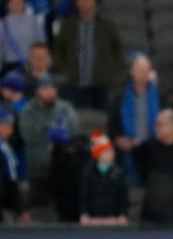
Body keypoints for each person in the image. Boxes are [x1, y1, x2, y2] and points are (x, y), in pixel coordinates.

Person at [53, 0, 123, 109]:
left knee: (102, 120)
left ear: (95, 1)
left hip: (102, 83)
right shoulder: (68, 25)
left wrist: (112, 71)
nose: (83, 2)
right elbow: (58, 50)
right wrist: (65, 70)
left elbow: (117, 49)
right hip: (75, 82)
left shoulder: (107, 25)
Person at [19, 74, 77, 206]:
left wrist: (47, 131)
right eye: (45, 88)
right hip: (37, 171)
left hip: (63, 170)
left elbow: (74, 130)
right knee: (38, 209)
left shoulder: (65, 107)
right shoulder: (29, 110)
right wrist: (55, 132)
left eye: (53, 88)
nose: (50, 91)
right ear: (37, 91)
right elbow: (28, 135)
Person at [108, 53, 160, 170]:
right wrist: (118, 139)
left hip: (153, 150)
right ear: (131, 71)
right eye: (140, 70)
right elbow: (112, 123)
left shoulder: (158, 93)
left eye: (147, 70)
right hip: (127, 151)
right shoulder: (119, 94)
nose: (144, 74)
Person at [79, 133, 128, 225]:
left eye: (111, 151)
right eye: (105, 151)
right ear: (98, 154)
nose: (109, 154)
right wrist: (84, 213)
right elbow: (84, 195)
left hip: (113, 216)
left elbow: (122, 196)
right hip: (93, 217)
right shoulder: (88, 172)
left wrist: (123, 214)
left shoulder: (118, 172)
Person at [1, 0, 45, 76]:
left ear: (24, 3)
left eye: (19, 1)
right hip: (10, 67)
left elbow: (41, 43)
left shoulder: (33, 21)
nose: (16, 4)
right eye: (13, 2)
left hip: (32, 66)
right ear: (7, 4)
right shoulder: (2, 24)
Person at [0, 108, 26, 223]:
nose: (10, 131)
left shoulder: (5, 146)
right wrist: (18, 207)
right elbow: (11, 180)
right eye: (7, 126)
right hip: (5, 205)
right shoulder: (3, 149)